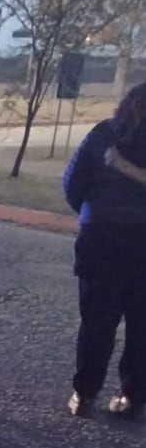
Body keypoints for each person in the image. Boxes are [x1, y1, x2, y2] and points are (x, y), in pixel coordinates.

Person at [61, 81, 146, 419]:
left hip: (101, 237)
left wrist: (91, 210)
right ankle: (133, 395)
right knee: (142, 324)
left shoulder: (103, 134)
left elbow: (72, 183)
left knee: (97, 321)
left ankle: (85, 394)